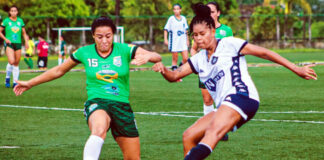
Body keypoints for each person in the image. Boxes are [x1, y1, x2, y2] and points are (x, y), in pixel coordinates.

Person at [153, 3, 317, 160]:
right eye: (195, 35)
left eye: (202, 34)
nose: (199, 39)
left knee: (213, 133)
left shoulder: (229, 44)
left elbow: (265, 53)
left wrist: (296, 68)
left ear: (211, 30)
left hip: (242, 97)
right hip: (225, 105)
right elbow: (174, 76)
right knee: (189, 136)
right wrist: (162, 69)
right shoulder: (198, 60)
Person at [13, 16, 162, 160]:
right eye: (99, 36)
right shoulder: (84, 52)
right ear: (93, 36)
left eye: (108, 36)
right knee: (99, 129)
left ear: (114, 35)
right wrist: (30, 83)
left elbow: (157, 56)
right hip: (98, 102)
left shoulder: (125, 49)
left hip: (122, 106)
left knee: (132, 157)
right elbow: (58, 70)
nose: (104, 40)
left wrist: (148, 56)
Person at [191, 1, 234, 141]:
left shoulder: (226, 30)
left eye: (213, 12)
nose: (211, 14)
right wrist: (196, 63)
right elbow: (193, 48)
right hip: (205, 70)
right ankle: (207, 128)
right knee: (207, 99)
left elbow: (232, 49)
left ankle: (221, 128)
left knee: (222, 99)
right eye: (208, 12)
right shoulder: (201, 29)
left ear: (218, 13)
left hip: (221, 70)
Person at [0, 6, 29, 88]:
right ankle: (7, 77)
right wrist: (5, 39)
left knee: (16, 63)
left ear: (17, 12)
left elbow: (24, 33)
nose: (13, 12)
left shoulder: (20, 21)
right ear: (10, 12)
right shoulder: (6, 21)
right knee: (11, 61)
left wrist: (26, 42)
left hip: (18, 44)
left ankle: (15, 82)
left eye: (15, 11)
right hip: (9, 43)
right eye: (12, 11)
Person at [164, 3, 189, 72]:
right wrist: (165, 39)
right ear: (173, 10)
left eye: (177, 9)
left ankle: (180, 67)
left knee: (186, 58)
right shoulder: (171, 19)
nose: (176, 11)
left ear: (180, 10)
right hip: (174, 41)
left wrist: (187, 40)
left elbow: (186, 30)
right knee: (175, 59)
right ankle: (175, 73)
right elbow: (166, 29)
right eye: (175, 9)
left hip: (183, 41)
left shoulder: (183, 18)